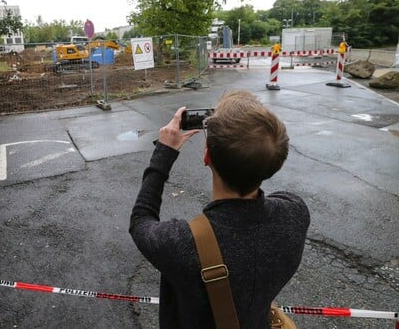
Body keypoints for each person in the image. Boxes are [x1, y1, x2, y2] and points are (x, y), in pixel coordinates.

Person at [129, 90, 310, 329]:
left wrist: (164, 152)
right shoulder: (295, 214)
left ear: (206, 156)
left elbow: (141, 219)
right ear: (276, 164)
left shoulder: (181, 245)